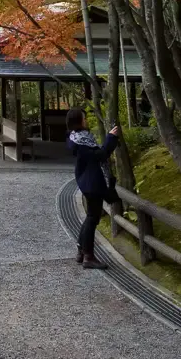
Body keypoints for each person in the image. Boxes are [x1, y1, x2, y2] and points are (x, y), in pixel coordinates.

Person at [66, 107, 119, 270]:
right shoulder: (82, 142)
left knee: (91, 217)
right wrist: (111, 138)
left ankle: (82, 250)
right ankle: (88, 256)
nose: (86, 120)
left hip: (87, 181)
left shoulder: (77, 138)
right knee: (92, 219)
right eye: (84, 118)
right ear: (78, 121)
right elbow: (101, 155)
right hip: (92, 182)